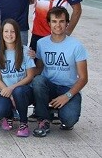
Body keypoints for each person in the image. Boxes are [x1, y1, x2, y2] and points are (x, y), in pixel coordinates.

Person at [32, 7, 88, 137]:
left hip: (67, 89)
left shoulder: (76, 45)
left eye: (61, 21)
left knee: (68, 121)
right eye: (54, 21)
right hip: (49, 86)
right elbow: (39, 69)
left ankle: (57, 110)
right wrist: (26, 62)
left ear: (67, 23)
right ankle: (43, 119)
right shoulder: (41, 43)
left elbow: (83, 78)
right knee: (38, 81)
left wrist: (67, 96)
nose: (58, 25)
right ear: (49, 23)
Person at [0, 19, 35, 137]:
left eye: (12, 31)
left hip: (23, 91)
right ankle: (9, 116)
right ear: (2, 33)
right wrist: (9, 94)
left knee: (18, 91)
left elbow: (30, 75)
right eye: (6, 31)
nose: (9, 34)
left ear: (17, 33)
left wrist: (12, 89)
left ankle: (23, 123)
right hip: (6, 91)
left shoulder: (25, 50)